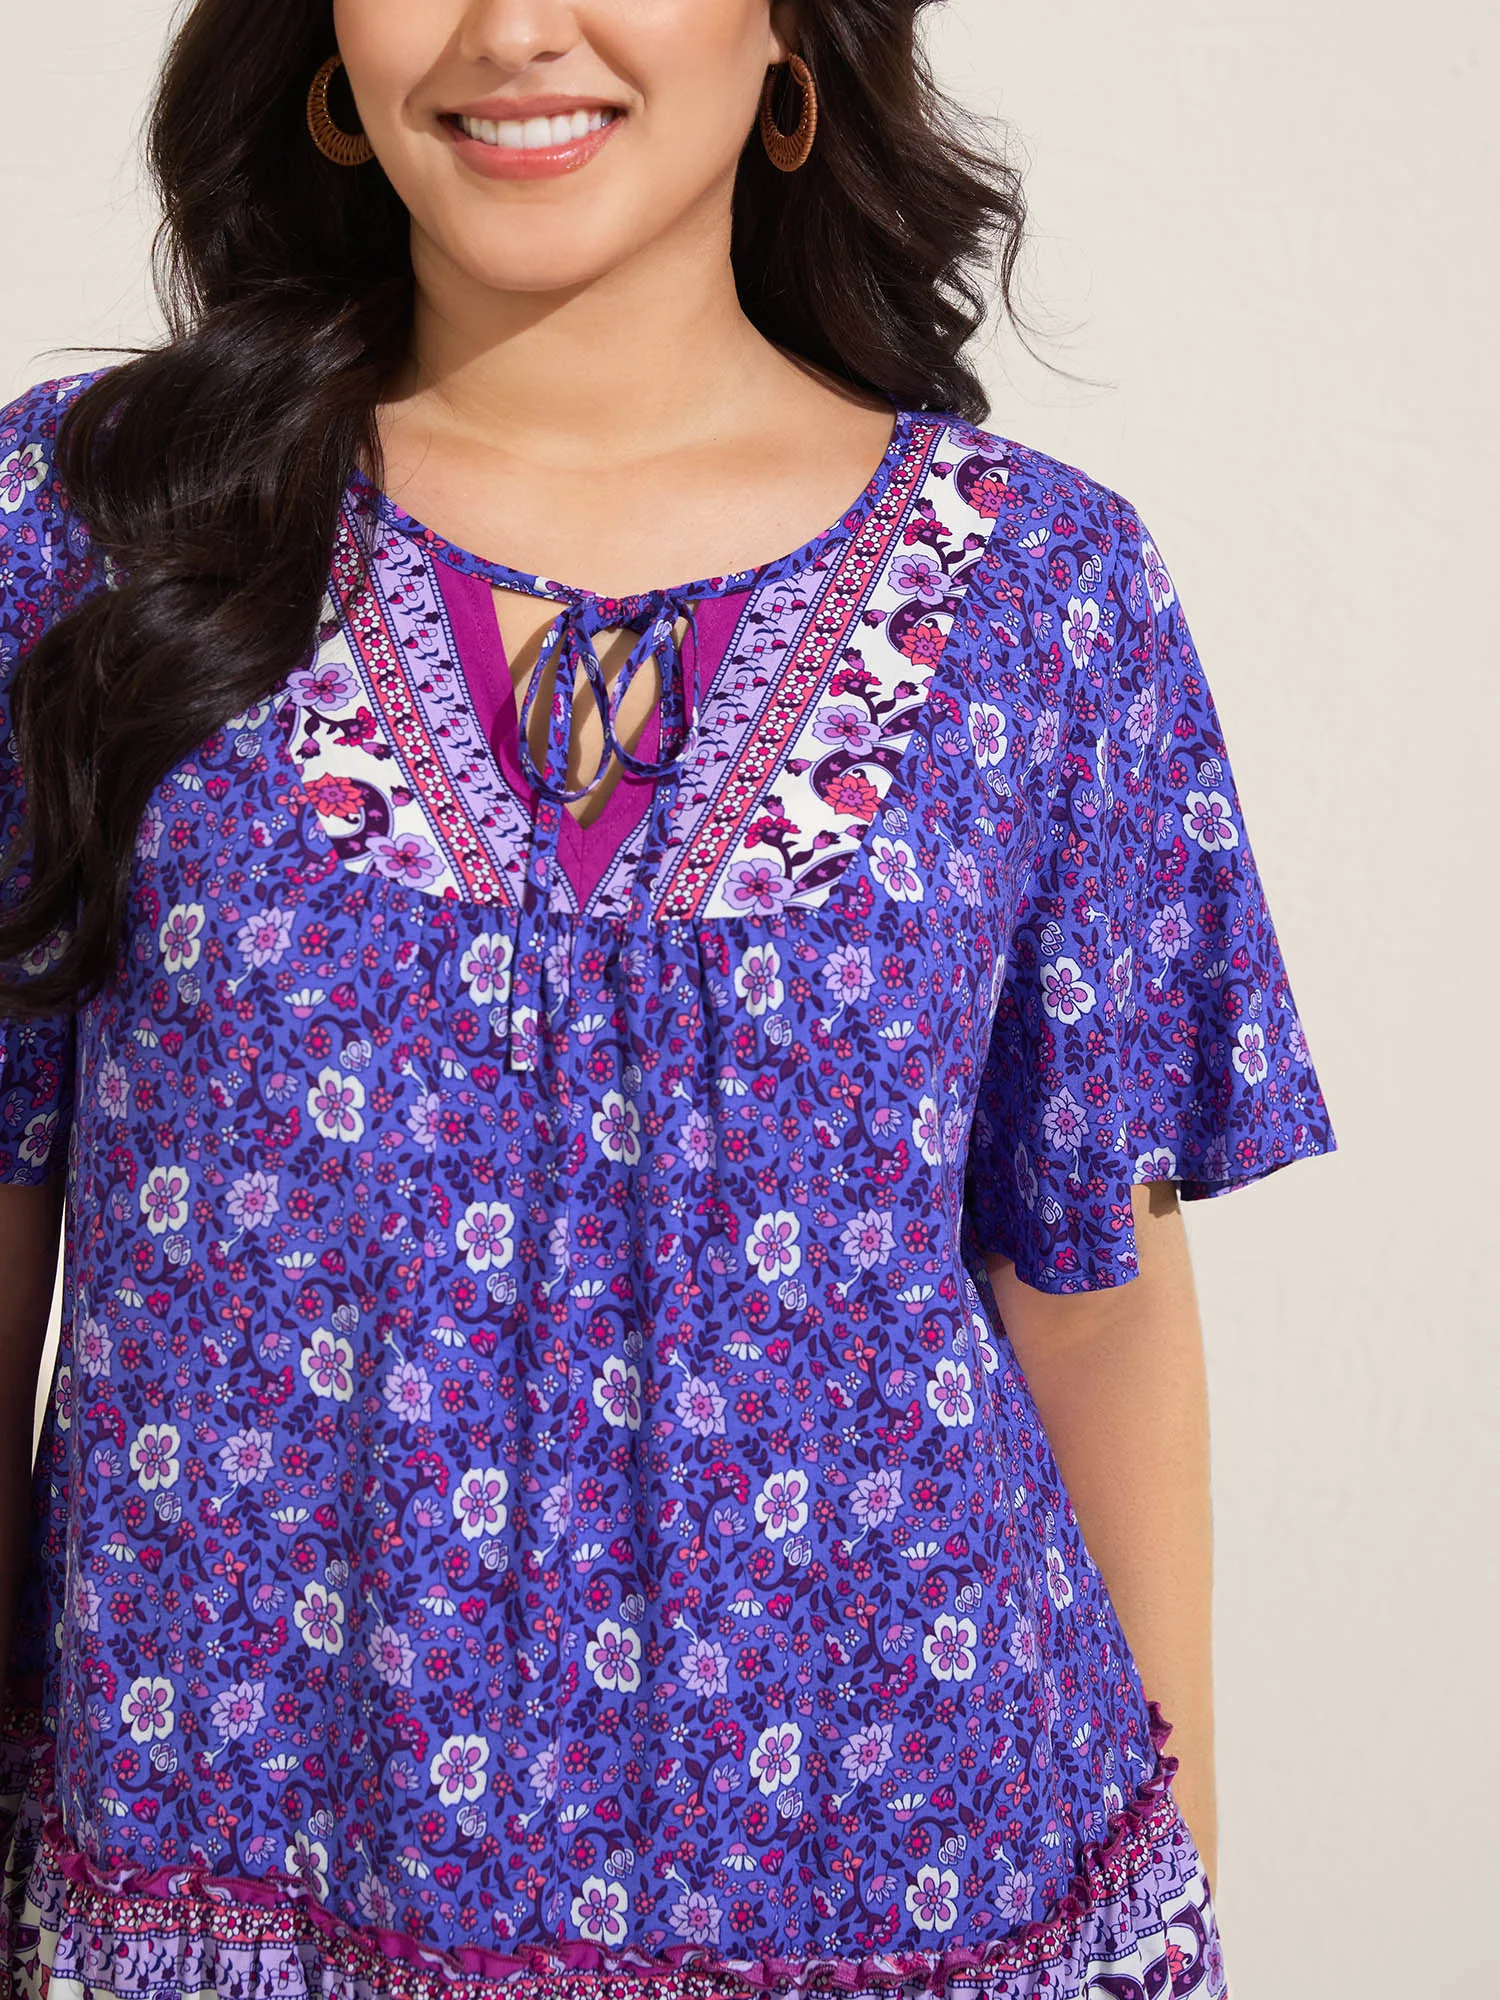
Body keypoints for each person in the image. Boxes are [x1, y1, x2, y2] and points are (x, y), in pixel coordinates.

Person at [0, 3, 1334, 1996]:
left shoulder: (1043, 592)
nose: (515, 29)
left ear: (791, 35)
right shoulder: (92, 530)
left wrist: (1185, 1907)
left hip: (921, 1888)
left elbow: (1100, 1306)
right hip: (236, 1874)